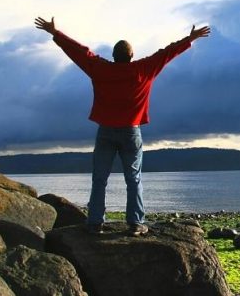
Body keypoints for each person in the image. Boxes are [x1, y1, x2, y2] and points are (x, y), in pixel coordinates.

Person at [35, 16, 210, 236]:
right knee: (133, 179)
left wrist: (56, 33)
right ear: (131, 56)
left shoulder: (101, 69)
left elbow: (79, 52)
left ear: (114, 56)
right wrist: (190, 38)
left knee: (99, 178)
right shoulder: (143, 69)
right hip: (131, 131)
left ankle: (95, 222)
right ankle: (135, 223)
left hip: (105, 131)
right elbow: (166, 53)